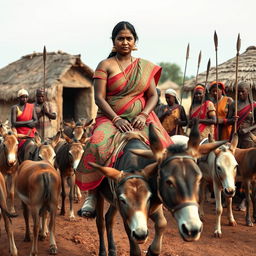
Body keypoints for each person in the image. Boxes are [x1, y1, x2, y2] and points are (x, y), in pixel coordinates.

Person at [76, 21, 172, 218]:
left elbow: (153, 95)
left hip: (142, 119)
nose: (125, 42)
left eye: (129, 38)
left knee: (166, 150)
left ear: (135, 41)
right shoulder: (105, 65)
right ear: (114, 41)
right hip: (110, 119)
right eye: (121, 38)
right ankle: (92, 195)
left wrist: (144, 114)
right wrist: (116, 118)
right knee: (96, 144)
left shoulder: (144, 66)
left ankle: (171, 193)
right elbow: (99, 98)